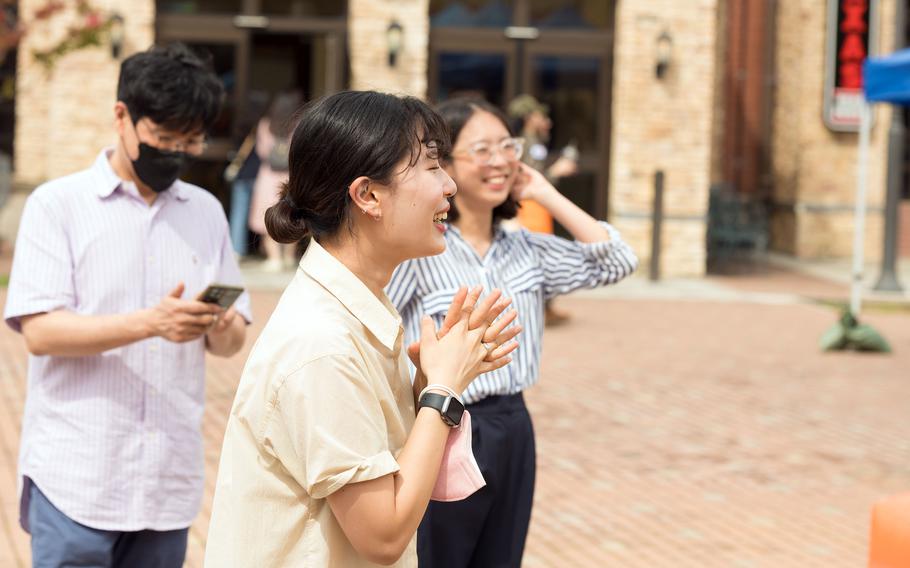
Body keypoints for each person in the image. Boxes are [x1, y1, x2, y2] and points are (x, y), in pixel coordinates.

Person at [204, 90, 521, 567]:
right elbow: (383, 534)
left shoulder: (360, 302)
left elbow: (387, 460)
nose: (449, 186)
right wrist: (443, 391)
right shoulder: (323, 345)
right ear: (368, 195)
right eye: (431, 167)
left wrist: (424, 387)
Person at [3, 43, 251, 568]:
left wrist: (219, 323)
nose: (177, 154)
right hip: (77, 478)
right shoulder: (57, 205)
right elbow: (42, 332)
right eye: (164, 139)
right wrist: (150, 323)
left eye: (190, 142)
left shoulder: (204, 212)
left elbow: (232, 342)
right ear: (122, 116)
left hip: (167, 479)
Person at [386, 97, 639, 568]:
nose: (499, 160)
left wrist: (543, 192)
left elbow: (618, 261)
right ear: (446, 165)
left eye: (507, 146)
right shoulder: (423, 249)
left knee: (500, 558)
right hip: (444, 423)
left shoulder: (527, 249)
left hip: (513, 425)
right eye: (481, 149)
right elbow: (379, 329)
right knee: (437, 558)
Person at [507, 93, 579, 326]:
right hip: (530, 207)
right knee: (537, 253)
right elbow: (527, 177)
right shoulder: (527, 143)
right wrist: (556, 172)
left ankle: (545, 306)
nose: (545, 119)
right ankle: (541, 308)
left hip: (535, 206)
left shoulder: (531, 141)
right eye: (540, 115)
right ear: (529, 117)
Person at [248, 90, 302, 271]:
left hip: (268, 175)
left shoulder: (266, 124)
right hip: (290, 175)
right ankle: (288, 256)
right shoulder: (297, 125)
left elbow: (262, 151)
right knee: (291, 215)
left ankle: (274, 258)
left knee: (267, 214)